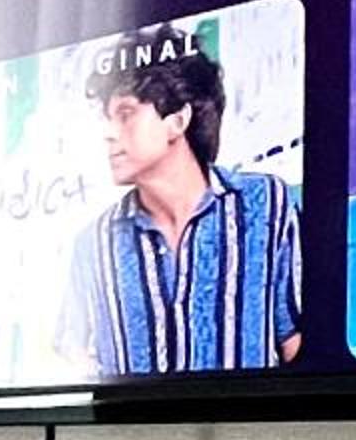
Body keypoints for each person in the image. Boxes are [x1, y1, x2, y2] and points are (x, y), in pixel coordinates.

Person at [60, 33, 302, 375]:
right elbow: (70, 353)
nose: (108, 133)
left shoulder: (264, 204)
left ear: (178, 120)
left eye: (126, 114)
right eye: (106, 117)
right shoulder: (94, 243)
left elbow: (296, 342)